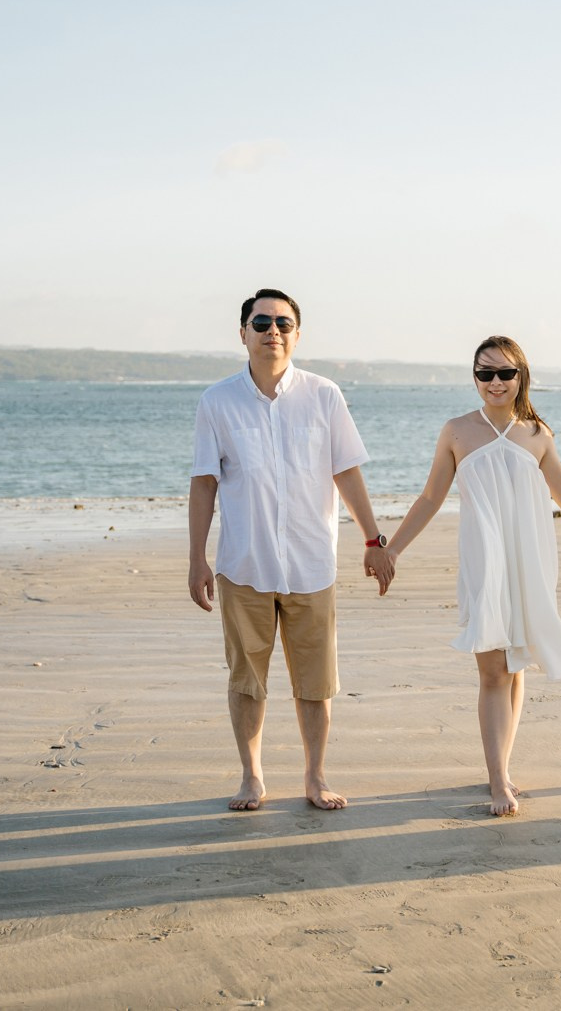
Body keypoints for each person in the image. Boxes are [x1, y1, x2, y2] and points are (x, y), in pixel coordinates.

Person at [382, 335, 561, 816]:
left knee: (515, 667)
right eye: (485, 373)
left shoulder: (537, 434)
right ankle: (497, 781)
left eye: (505, 373)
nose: (495, 382)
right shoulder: (456, 431)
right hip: (484, 561)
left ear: (521, 377)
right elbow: (431, 498)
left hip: (528, 562)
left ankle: (503, 769)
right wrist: (391, 550)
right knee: (492, 669)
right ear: (474, 378)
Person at [187, 289, 395, 811]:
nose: (272, 330)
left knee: (315, 683)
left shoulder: (324, 395)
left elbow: (346, 470)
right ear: (243, 332)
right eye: (261, 321)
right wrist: (196, 559)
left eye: (283, 322)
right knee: (246, 680)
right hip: (244, 564)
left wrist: (374, 541)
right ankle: (251, 777)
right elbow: (205, 482)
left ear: (297, 334)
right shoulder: (216, 401)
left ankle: (316, 777)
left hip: (311, 565)